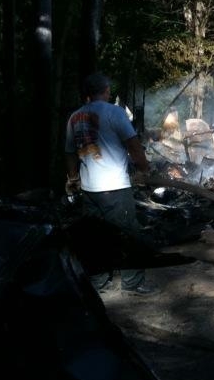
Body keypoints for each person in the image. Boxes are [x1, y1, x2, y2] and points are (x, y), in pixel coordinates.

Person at [65, 72, 157, 295]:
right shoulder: (114, 112)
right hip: (114, 186)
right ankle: (133, 282)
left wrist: (73, 178)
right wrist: (145, 169)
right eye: (108, 90)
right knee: (127, 234)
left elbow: (69, 153)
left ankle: (97, 281)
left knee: (95, 236)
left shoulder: (74, 117)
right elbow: (134, 145)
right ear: (105, 91)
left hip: (89, 189)